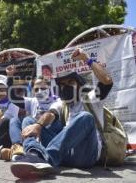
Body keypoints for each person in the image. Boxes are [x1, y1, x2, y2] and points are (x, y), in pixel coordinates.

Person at [10, 48, 113, 179]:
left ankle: (45, 158)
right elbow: (51, 114)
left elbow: (107, 81)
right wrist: (38, 126)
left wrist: (87, 59)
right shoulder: (61, 103)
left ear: (80, 85)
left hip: (85, 155)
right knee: (29, 121)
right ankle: (35, 155)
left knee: (85, 117)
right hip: (65, 154)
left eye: (71, 82)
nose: (66, 86)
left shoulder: (91, 98)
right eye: (63, 84)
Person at [0, 65, 60, 161]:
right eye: (36, 89)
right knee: (14, 120)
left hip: (50, 136)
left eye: (43, 88)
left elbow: (54, 114)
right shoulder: (32, 101)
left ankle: (33, 152)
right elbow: (13, 98)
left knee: (28, 119)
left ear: (49, 87)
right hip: (33, 136)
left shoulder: (58, 101)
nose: (40, 91)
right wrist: (10, 76)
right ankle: (18, 148)